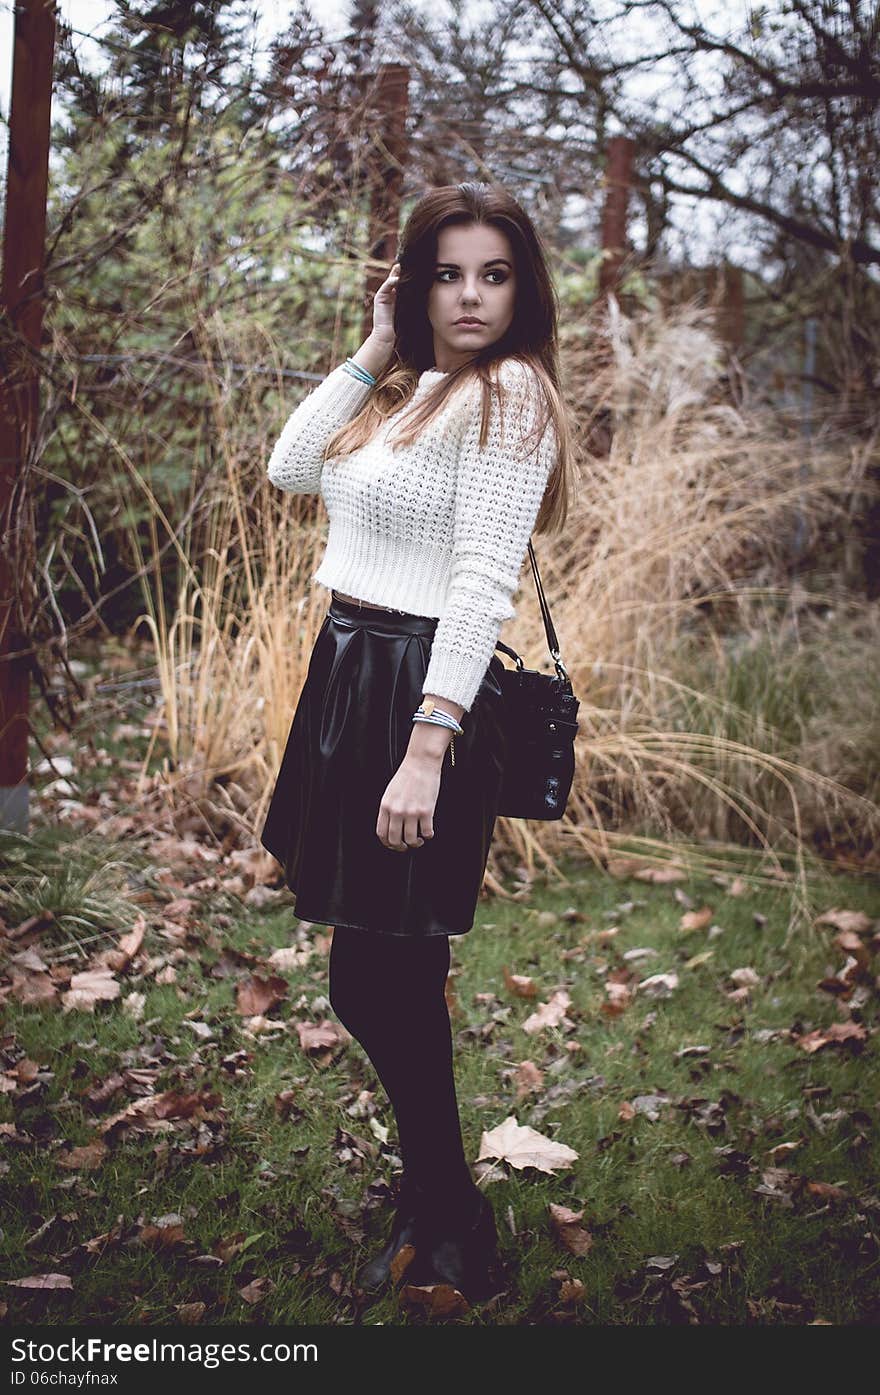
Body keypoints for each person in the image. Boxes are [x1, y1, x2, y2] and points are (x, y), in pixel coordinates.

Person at [259, 181, 573, 1305]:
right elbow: (290, 468)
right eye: (447, 273)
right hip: (348, 670)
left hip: (418, 687)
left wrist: (429, 744)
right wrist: (371, 343)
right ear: (415, 282)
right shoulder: (410, 388)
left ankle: (447, 1208)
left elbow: (481, 584)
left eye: (494, 274)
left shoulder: (511, 398)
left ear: (522, 287)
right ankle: (438, 1189)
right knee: (379, 965)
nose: (472, 295)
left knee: (373, 972)